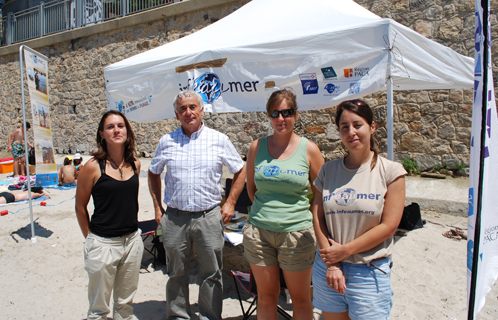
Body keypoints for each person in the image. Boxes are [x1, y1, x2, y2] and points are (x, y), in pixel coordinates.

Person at [148, 89, 246, 320]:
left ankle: (209, 316)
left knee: (211, 273)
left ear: (202, 111)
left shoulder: (219, 139)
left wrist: (230, 202)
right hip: (175, 217)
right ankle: (179, 315)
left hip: (209, 216)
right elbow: (153, 172)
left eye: (193, 107)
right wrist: (156, 207)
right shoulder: (166, 141)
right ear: (176, 114)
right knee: (176, 273)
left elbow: (240, 170)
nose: (188, 112)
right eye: (183, 109)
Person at [311, 99, 407, 320]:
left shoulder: (392, 172)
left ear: (372, 127)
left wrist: (345, 251)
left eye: (358, 124)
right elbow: (317, 216)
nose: (351, 132)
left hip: (368, 271)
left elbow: (389, 227)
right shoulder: (328, 170)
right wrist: (333, 262)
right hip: (329, 268)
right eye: (345, 127)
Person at [243, 88, 324, 320]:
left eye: (286, 112)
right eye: (275, 113)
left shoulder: (309, 149)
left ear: (296, 114)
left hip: (297, 234)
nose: (281, 119)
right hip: (259, 233)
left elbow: (319, 194)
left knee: (300, 299)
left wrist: (299, 217)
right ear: (269, 116)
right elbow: (252, 190)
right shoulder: (256, 147)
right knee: (266, 297)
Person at [75, 110, 143, 320]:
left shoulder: (135, 163)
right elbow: (80, 206)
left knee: (125, 305)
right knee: (99, 310)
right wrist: (91, 240)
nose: (116, 130)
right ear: (102, 134)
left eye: (120, 126)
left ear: (127, 131)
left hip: (132, 242)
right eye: (110, 127)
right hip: (103, 244)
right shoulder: (93, 167)